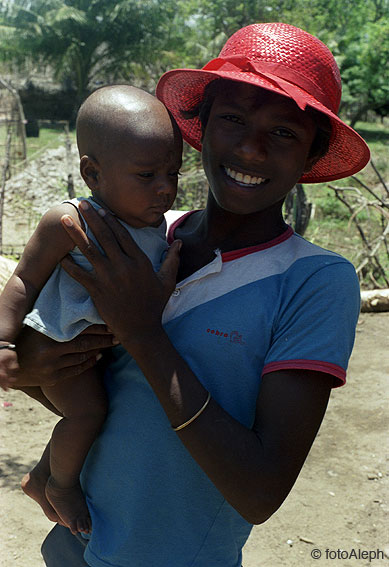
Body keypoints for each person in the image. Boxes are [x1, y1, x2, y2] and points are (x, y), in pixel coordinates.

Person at [11, 22, 370, 567]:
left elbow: (259, 492)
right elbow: (101, 389)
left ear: (310, 157)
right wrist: (36, 362)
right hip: (74, 540)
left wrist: (143, 333)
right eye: (232, 119)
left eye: (284, 133)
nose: (251, 148)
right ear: (200, 127)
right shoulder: (143, 237)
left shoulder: (316, 280)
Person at [0, 84, 182, 535]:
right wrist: (3, 341)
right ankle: (60, 484)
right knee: (87, 415)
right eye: (147, 175)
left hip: (105, 353)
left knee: (106, 413)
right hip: (62, 347)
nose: (165, 189)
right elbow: (23, 280)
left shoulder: (158, 224)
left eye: (173, 173)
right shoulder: (70, 220)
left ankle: (43, 476)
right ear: (93, 174)